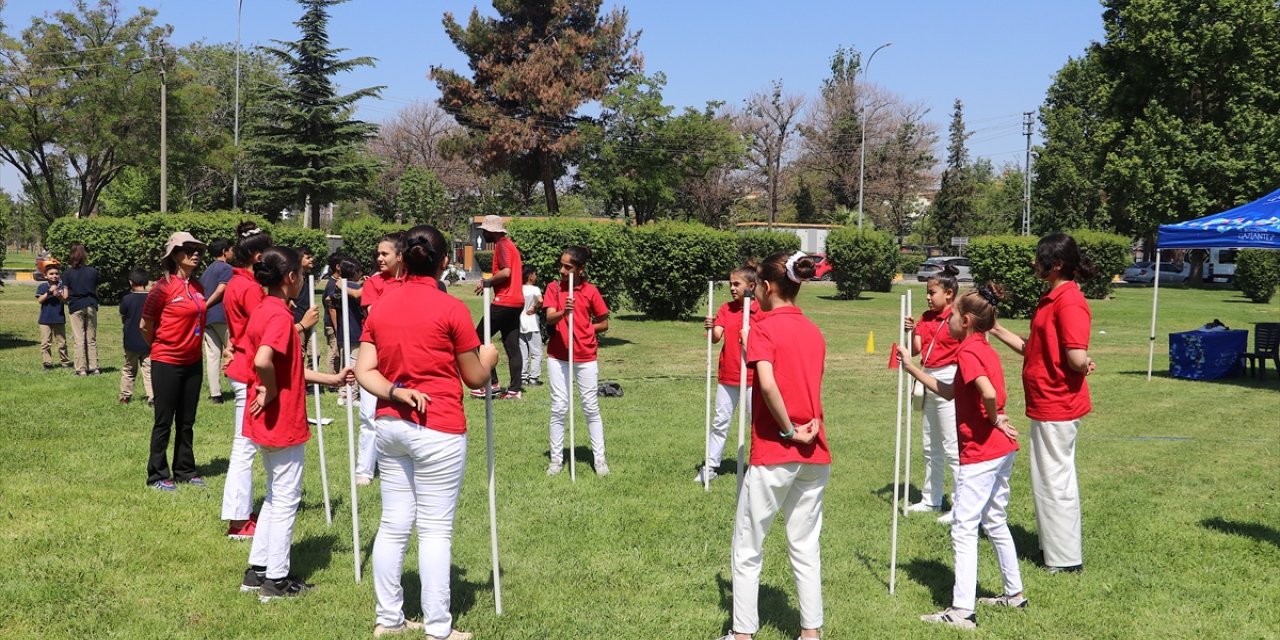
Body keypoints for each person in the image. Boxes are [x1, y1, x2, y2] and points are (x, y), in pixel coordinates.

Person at [354, 224, 497, 640]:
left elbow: (365, 371)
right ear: (445, 262)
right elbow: (474, 378)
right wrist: (486, 357)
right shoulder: (451, 308)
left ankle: (390, 618)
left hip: (391, 426)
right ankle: (438, 627)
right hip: (439, 428)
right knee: (435, 529)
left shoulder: (380, 306)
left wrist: (395, 392)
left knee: (395, 523)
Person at [896, 284, 1027, 630]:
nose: (948, 320)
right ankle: (1015, 594)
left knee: (963, 527)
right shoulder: (981, 347)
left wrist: (994, 416)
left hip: (981, 452)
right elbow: (952, 392)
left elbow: (987, 392)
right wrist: (912, 369)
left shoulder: (968, 352)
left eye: (952, 315)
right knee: (994, 520)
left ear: (966, 321)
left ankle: (961, 611)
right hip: (1001, 451)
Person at [717, 251, 827, 640]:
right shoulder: (813, 330)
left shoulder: (762, 328)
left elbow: (767, 384)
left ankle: (743, 633)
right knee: (805, 545)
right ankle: (810, 632)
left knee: (748, 546)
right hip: (816, 453)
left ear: (764, 287)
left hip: (777, 450)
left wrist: (788, 430)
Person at [237, 246, 353, 602]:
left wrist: (330, 380)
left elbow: (287, 367)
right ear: (290, 279)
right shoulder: (279, 317)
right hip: (281, 419)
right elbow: (262, 360)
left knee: (274, 495)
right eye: (301, 275)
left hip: (266, 420)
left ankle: (257, 572)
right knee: (287, 498)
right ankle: (277, 579)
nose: (303, 279)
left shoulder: (264, 309)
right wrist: (270, 392)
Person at [988, 233, 1097, 574]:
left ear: (1058, 264)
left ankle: (1065, 560)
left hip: (1058, 402)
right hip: (1046, 402)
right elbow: (1031, 348)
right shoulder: (1051, 298)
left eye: (1039, 259)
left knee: (1055, 481)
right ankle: (1052, 547)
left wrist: (1084, 362)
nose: (1034, 264)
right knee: (1047, 479)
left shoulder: (1069, 302)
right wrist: (994, 328)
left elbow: (1076, 355)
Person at [140, 232, 208, 491]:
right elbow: (145, 324)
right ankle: (157, 475)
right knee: (164, 420)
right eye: (188, 249)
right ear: (174, 256)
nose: (195, 254)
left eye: (198, 250)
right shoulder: (163, 287)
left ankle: (185, 470)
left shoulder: (198, 286)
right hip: (167, 361)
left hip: (193, 362)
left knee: (187, 421)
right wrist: (160, 346)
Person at [221, 221, 272, 538]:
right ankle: (239, 520)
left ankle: (241, 514)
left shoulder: (235, 283)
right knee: (245, 447)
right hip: (248, 370)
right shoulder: (250, 288)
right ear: (256, 256)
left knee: (246, 446)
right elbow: (262, 331)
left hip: (241, 364)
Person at [543, 246, 611, 476]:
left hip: (585, 355)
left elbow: (604, 322)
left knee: (590, 406)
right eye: (561, 265)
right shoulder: (553, 288)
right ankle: (555, 460)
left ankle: (599, 459)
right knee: (559, 406)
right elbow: (549, 317)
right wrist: (563, 312)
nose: (562, 270)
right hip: (558, 355)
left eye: (568, 267)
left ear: (580, 270)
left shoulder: (591, 291)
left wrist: (586, 329)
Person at [903, 264, 963, 523]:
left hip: (950, 377)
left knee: (952, 445)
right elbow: (918, 350)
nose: (928, 297)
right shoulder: (926, 318)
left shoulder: (957, 318)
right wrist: (911, 330)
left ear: (948, 294)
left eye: (932, 292)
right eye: (927, 292)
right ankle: (931, 499)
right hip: (927, 377)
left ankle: (962, 504)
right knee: (930, 444)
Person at [695, 264, 760, 484]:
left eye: (736, 284)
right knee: (720, 421)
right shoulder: (726, 309)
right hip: (728, 376)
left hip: (754, 378)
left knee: (756, 425)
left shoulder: (760, 311)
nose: (732, 288)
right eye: (730, 284)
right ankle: (711, 466)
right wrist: (711, 327)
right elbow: (716, 338)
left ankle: (758, 467)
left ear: (751, 286)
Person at [472, 214, 525, 400]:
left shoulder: (502, 245)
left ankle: (491, 384)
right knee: (512, 347)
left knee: (477, 337)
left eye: (484, 230)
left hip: (505, 301)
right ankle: (514, 390)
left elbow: (506, 272)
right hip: (517, 302)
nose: (483, 234)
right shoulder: (509, 245)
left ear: (491, 231)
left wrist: (487, 281)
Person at [199, 239, 234, 404]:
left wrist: (204, 308)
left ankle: (215, 394)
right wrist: (207, 305)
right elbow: (222, 289)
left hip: (207, 319)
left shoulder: (207, 270)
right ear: (225, 251)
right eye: (231, 249)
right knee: (234, 351)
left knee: (213, 356)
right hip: (222, 317)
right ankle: (239, 388)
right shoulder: (226, 268)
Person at [62, 243, 101, 376]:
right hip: (91, 304)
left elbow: (66, 295)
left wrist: (59, 296)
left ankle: (81, 369)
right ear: (84, 256)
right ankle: (94, 367)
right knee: (91, 338)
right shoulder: (93, 271)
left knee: (79, 338)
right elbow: (95, 290)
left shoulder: (67, 273)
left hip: (76, 306)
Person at [119, 268, 154, 405]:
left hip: (130, 341)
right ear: (146, 282)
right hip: (148, 340)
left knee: (128, 369)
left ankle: (125, 396)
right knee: (149, 370)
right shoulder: (151, 298)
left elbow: (123, 316)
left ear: (130, 282)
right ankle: (152, 397)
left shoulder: (127, 299)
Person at [35, 264, 71, 370]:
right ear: (45, 276)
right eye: (51, 274)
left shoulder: (62, 285)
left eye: (56, 273)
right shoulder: (42, 286)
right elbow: (40, 300)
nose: (54, 276)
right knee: (46, 342)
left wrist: (59, 296)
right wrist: (49, 292)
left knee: (62, 343)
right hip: (45, 319)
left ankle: (65, 362)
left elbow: (66, 301)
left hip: (59, 317)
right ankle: (47, 363)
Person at [289, 246, 321, 344]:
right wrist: (288, 300)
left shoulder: (308, 277)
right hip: (298, 320)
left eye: (311, 257)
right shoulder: (293, 277)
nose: (312, 259)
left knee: (315, 354)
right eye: (308, 258)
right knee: (300, 351)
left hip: (310, 319)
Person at [519, 269, 544, 387]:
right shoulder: (535, 289)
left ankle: (523, 377)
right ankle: (534, 378)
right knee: (536, 352)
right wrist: (535, 307)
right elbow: (540, 300)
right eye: (535, 274)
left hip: (519, 322)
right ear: (530, 276)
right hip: (532, 323)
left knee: (523, 352)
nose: (536, 276)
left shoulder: (519, 289)